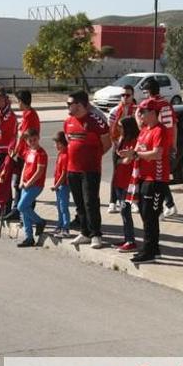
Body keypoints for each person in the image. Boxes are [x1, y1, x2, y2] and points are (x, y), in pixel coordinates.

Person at [120, 99, 170, 262]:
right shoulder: (144, 130)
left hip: (155, 179)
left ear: (153, 113)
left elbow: (157, 153)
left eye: (143, 111)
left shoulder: (160, 131)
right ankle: (152, 249)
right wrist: (128, 156)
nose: (140, 114)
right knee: (144, 213)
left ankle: (149, 251)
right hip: (142, 178)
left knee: (150, 216)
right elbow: (137, 151)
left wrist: (135, 155)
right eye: (140, 111)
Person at [66, 90, 112, 250]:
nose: (68, 106)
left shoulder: (95, 121)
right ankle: (84, 232)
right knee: (79, 203)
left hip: (90, 170)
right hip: (72, 169)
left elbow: (107, 143)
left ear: (79, 104)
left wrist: (94, 158)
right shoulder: (69, 121)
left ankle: (96, 234)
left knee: (90, 202)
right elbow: (69, 142)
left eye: (69, 103)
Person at [141, 78, 178, 217]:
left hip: (155, 144)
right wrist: (174, 145)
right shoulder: (167, 104)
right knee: (161, 177)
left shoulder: (150, 105)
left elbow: (143, 125)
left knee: (157, 178)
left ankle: (164, 207)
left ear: (149, 92)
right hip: (167, 144)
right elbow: (174, 126)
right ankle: (168, 205)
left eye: (145, 91)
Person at [3, 90, 41, 221]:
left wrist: (15, 150)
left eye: (18, 101)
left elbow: (24, 136)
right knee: (17, 182)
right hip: (22, 153)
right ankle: (18, 208)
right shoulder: (27, 114)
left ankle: (23, 209)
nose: (17, 104)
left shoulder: (30, 115)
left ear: (22, 101)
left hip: (25, 154)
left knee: (21, 182)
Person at [16, 128, 48, 247]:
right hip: (25, 183)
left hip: (35, 185)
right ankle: (29, 237)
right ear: (26, 141)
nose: (33, 142)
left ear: (38, 138)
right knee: (25, 211)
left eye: (35, 139)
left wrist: (29, 182)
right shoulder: (29, 151)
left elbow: (39, 171)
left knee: (21, 206)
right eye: (30, 140)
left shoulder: (41, 153)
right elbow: (25, 166)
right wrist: (21, 180)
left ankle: (40, 221)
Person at [108, 84, 138, 213]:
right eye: (123, 95)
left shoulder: (137, 110)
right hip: (118, 145)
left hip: (132, 145)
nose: (125, 97)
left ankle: (134, 201)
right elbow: (111, 130)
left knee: (133, 174)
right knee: (116, 174)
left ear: (132, 96)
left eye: (128, 95)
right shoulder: (115, 111)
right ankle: (112, 202)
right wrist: (116, 144)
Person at [113, 116, 140, 252]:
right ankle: (126, 237)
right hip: (119, 179)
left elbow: (129, 160)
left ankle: (131, 241)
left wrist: (124, 158)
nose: (119, 129)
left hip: (128, 183)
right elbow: (119, 158)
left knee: (125, 211)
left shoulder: (135, 140)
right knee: (123, 212)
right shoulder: (122, 139)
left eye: (121, 126)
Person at [50, 131, 71, 238]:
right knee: (59, 207)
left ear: (64, 143)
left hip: (63, 185)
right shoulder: (61, 154)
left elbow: (64, 174)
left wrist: (56, 185)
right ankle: (60, 225)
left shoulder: (66, 155)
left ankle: (66, 228)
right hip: (59, 185)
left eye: (59, 144)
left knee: (63, 207)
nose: (56, 146)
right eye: (56, 143)